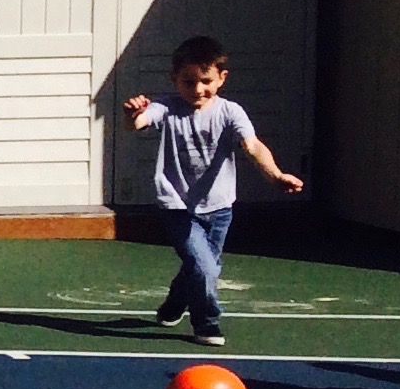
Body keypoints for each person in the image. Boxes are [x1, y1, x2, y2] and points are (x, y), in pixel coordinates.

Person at [123, 34, 304, 349]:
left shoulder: (231, 112)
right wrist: (132, 113)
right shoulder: (165, 107)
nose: (197, 89)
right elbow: (138, 123)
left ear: (221, 79)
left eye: (205, 81)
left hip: (219, 207)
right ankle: (206, 323)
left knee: (201, 265)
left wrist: (275, 175)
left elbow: (252, 145)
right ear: (174, 79)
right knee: (205, 266)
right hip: (177, 206)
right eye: (187, 81)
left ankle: (173, 305)